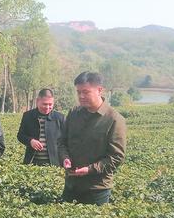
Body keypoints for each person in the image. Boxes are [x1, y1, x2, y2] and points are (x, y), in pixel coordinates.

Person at [60, 72, 126, 205]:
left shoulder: (114, 119)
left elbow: (116, 157)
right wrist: (64, 157)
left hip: (97, 190)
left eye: (86, 92)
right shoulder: (74, 113)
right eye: (78, 92)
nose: (81, 96)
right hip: (71, 185)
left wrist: (90, 169)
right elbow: (62, 142)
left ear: (99, 90)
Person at [17, 88, 66, 166]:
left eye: (50, 104)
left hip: (54, 164)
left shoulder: (60, 118)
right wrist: (30, 141)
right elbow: (20, 135)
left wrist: (65, 158)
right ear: (37, 101)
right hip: (32, 163)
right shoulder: (28, 116)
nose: (47, 107)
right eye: (44, 104)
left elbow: (66, 140)